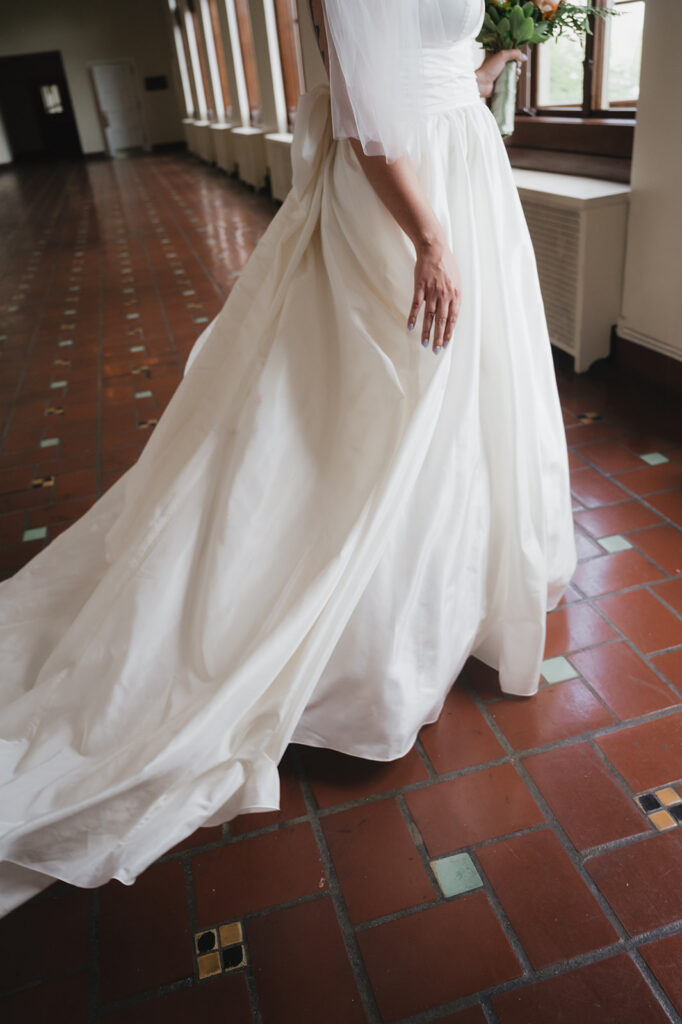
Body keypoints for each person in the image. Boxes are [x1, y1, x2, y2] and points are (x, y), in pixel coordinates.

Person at [0, 0, 577, 919]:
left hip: (463, 163)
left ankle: (452, 596)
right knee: (373, 417)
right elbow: (363, 116)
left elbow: (437, 71)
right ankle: (356, 642)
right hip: (406, 192)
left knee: (465, 408)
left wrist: (500, 55)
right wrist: (430, 241)